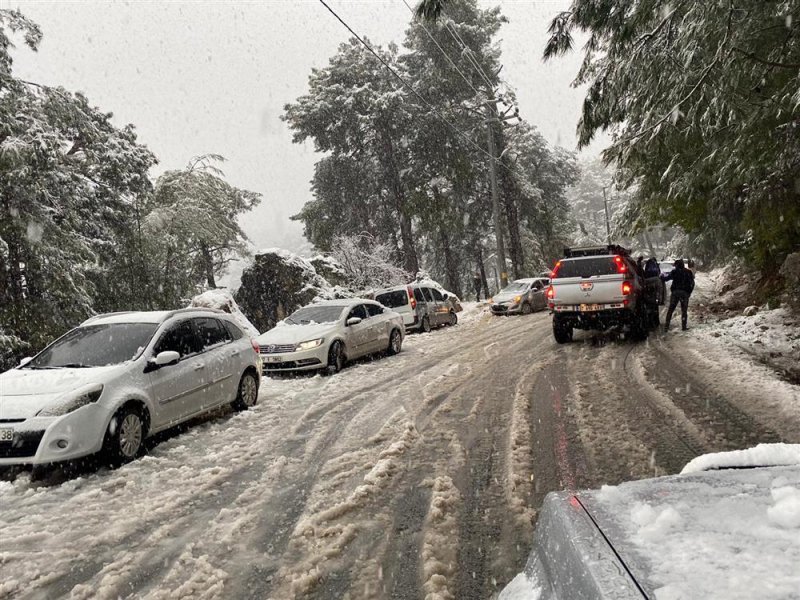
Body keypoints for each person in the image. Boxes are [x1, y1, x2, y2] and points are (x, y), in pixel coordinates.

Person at [661, 259, 694, 331]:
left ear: (677, 265)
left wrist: (661, 277)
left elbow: (666, 278)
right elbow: (692, 283)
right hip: (685, 293)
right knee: (684, 311)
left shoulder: (675, 272)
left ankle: (666, 326)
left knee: (671, 309)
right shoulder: (688, 272)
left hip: (675, 293)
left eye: (675, 265)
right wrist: (689, 292)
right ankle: (684, 327)